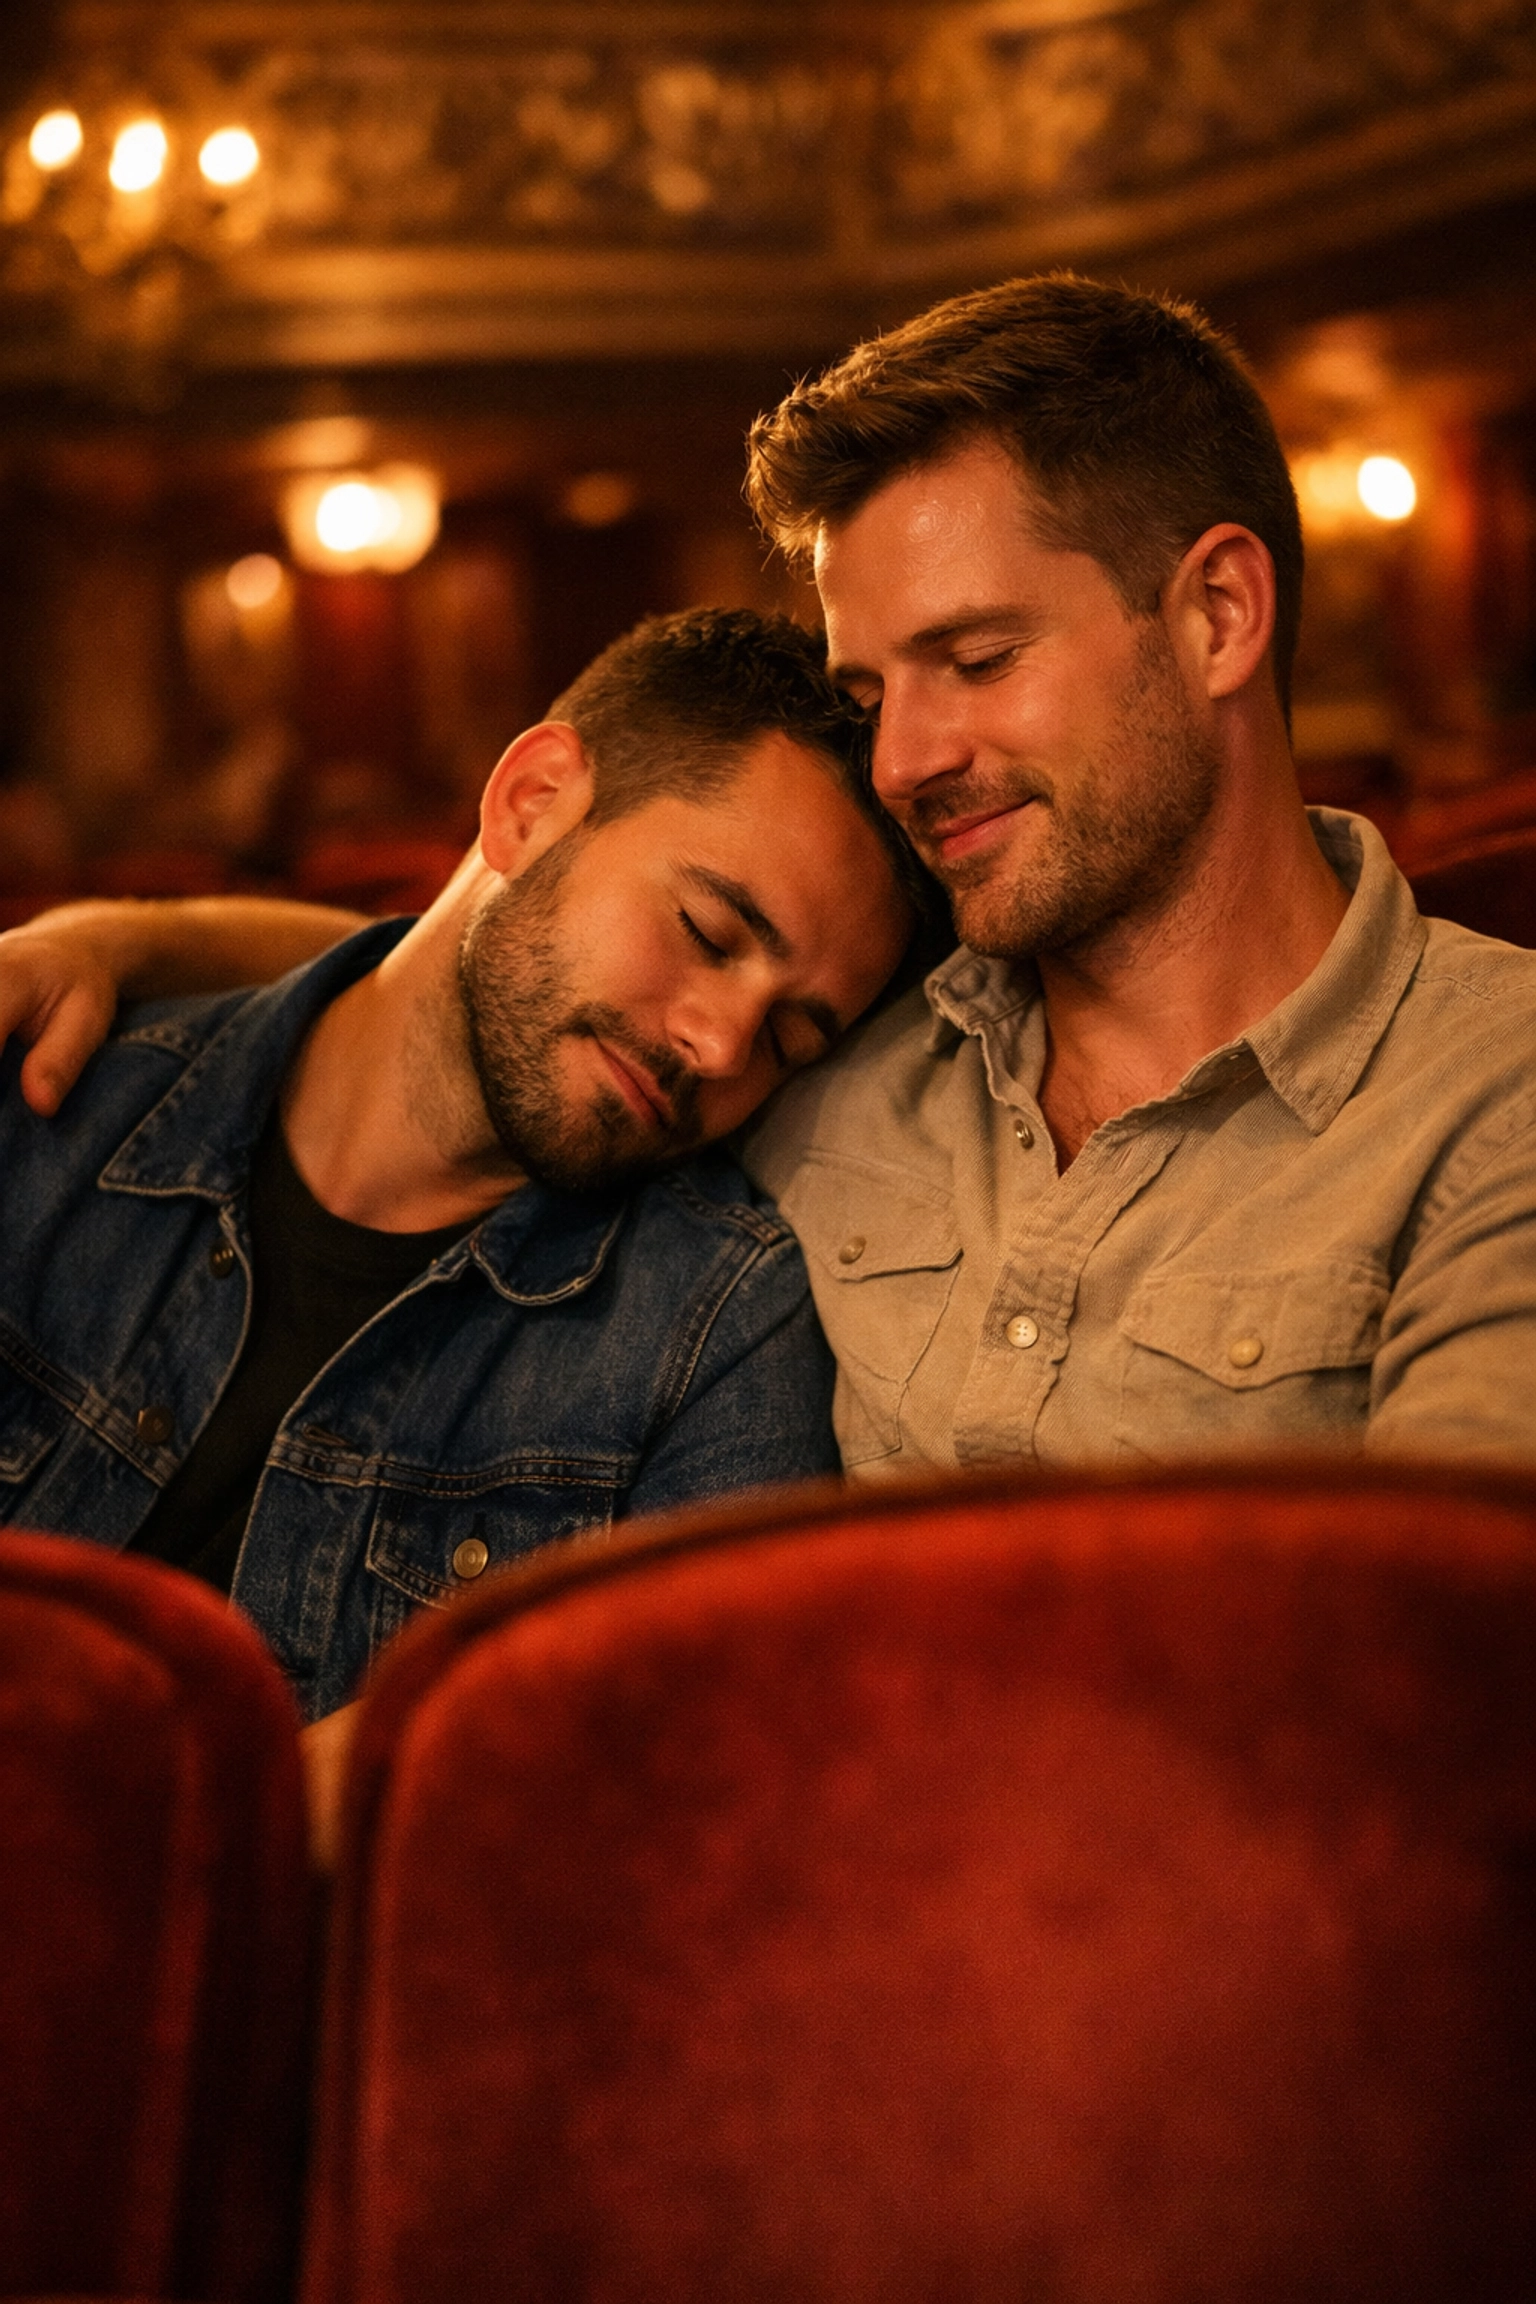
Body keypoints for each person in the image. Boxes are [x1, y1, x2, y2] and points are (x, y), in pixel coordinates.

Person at [9, 275, 1536, 1486]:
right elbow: (533, 975)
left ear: (1215, 614)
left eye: (980, 658)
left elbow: (1438, 1696)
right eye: (873, 697)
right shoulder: (839, 1055)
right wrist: (131, 939)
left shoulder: (1492, 1092)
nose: (902, 764)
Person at [0, 608, 915, 1733]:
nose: (722, 1047)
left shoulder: (716, 1326)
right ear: (532, 805)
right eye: (708, 933)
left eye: (792, 1040)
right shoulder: (53, 1105)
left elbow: (688, 1784)